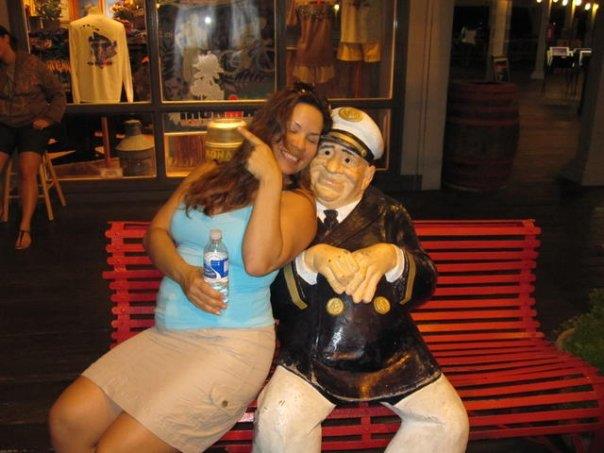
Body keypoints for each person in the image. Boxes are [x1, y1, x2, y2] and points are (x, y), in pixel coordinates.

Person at [48, 83, 332, 453]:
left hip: (230, 347)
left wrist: (270, 180)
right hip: (168, 336)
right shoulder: (211, 172)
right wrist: (184, 275)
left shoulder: (299, 205)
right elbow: (156, 233)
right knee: (66, 420)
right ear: (269, 126)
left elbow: (258, 262)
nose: (299, 144)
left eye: (312, 138)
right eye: (293, 129)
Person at [254, 107, 469, 453]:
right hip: (311, 355)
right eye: (326, 152)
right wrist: (309, 261)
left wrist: (393, 258)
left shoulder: (389, 214)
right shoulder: (286, 208)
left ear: (367, 175)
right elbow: (264, 290)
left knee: (448, 422)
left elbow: (426, 281)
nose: (332, 167)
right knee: (278, 420)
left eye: (348, 159)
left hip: (392, 354)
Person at [0, 25, 66, 249]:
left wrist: (49, 118)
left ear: (5, 39)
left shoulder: (32, 64)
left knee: (26, 170)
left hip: (32, 124)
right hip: (5, 123)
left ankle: (25, 226)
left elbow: (58, 93)